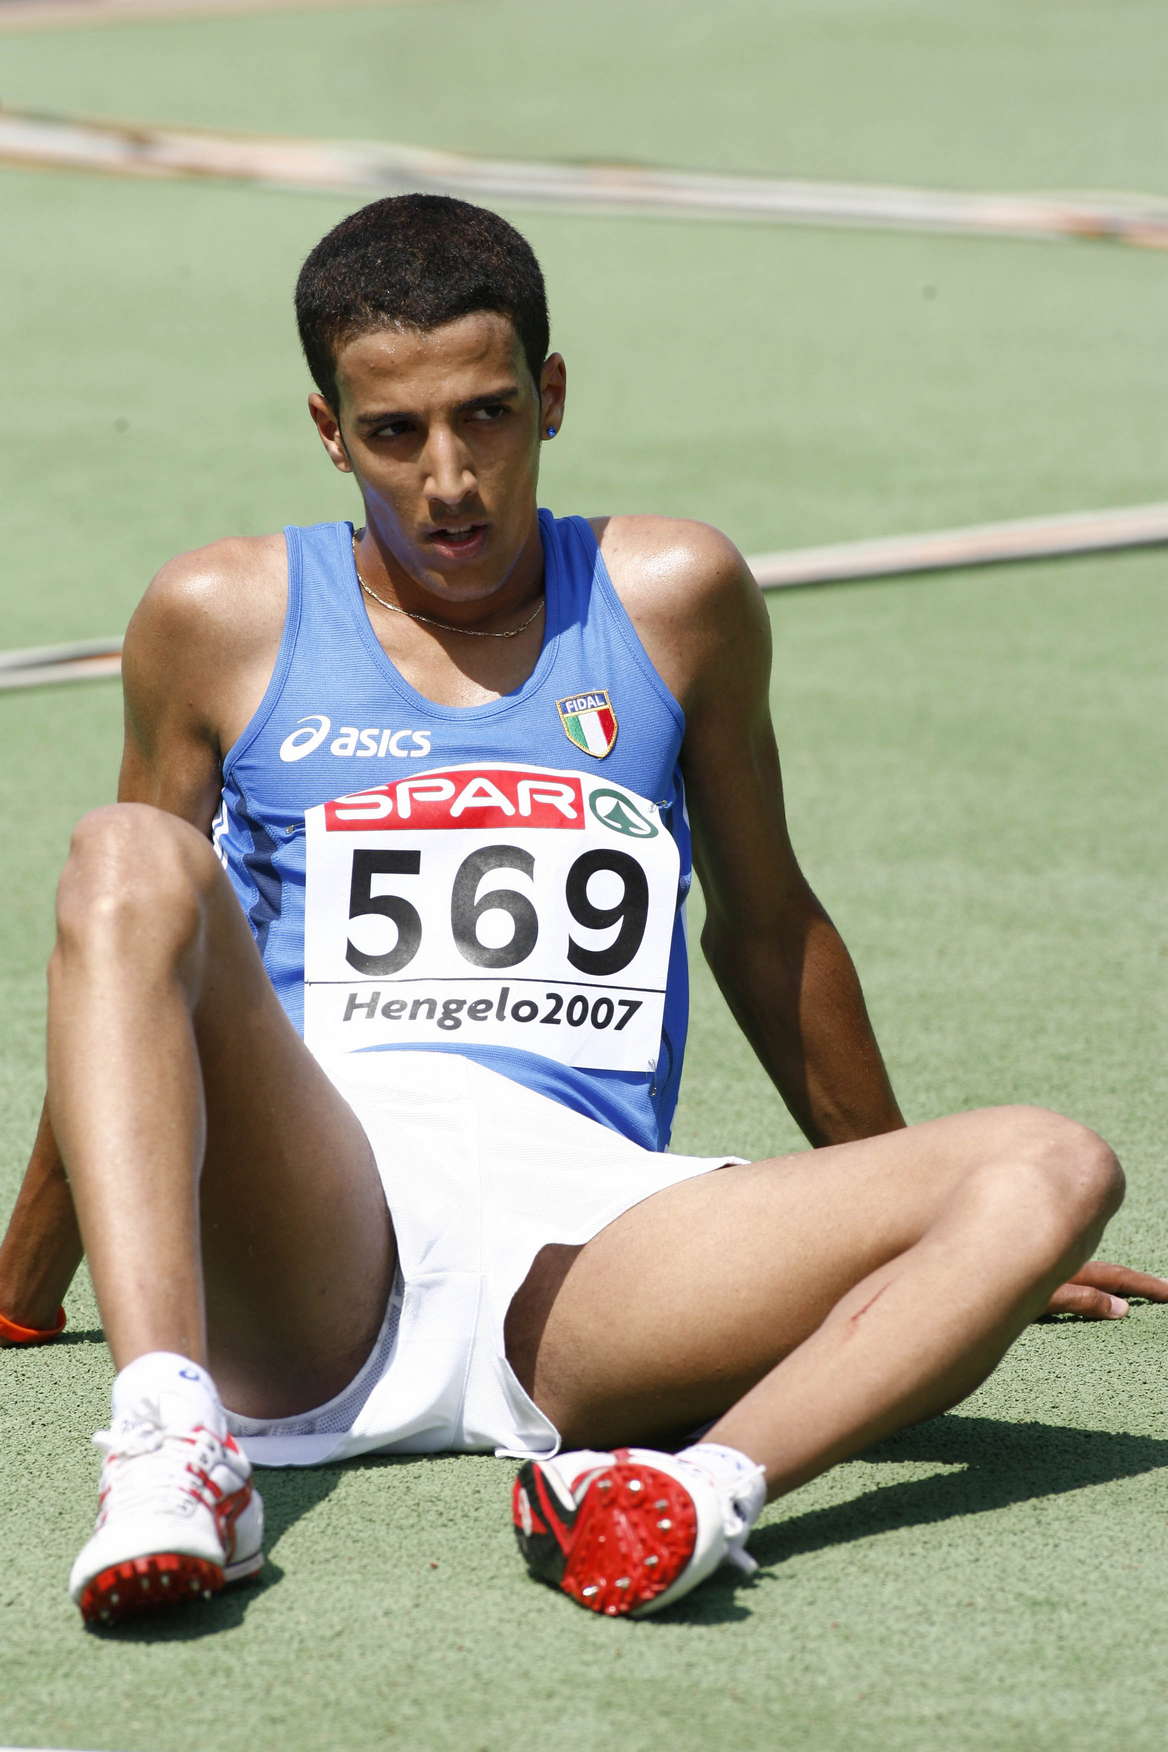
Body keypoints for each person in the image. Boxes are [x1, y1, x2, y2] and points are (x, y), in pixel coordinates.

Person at [0, 195, 1162, 1627]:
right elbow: (127, 960)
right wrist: (24, 1281)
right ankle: (173, 1440)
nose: (449, 480)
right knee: (125, 850)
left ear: (549, 395)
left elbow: (766, 927)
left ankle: (691, 1498)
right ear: (329, 431)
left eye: (486, 416)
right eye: (393, 433)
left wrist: (913, 1218)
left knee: (1051, 1166)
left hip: (590, 1248)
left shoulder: (675, 594)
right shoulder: (219, 613)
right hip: (317, 1220)